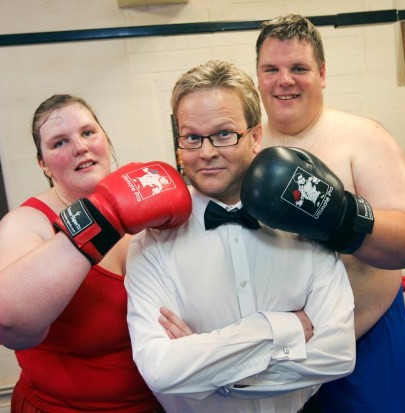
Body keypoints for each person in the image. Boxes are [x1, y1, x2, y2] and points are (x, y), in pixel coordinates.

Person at [125, 60, 356, 413]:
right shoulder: (151, 243)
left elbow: (338, 354)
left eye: (223, 134)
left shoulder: (304, 221)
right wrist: (284, 329)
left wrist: (212, 371)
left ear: (255, 137)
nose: (206, 153)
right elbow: (160, 370)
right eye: (192, 137)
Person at [249, 14, 405, 413]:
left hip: (366, 342)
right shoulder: (246, 149)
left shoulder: (364, 138)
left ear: (323, 73)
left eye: (299, 68)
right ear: (257, 77)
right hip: (283, 351)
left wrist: (342, 219)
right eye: (271, 69)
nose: (284, 80)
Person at [0, 94, 192, 413]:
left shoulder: (148, 203)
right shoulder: (27, 223)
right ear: (43, 164)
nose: (79, 147)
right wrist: (100, 218)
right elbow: (8, 322)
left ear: (105, 139)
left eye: (88, 132)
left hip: (163, 404)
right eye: (59, 142)